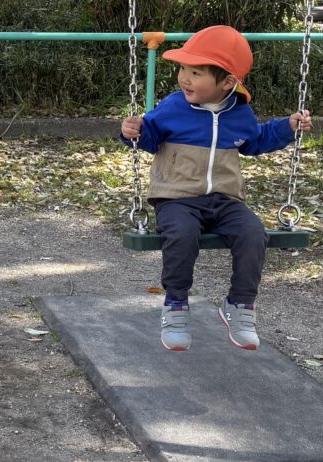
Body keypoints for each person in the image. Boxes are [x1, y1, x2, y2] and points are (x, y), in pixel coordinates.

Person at [120, 25, 312, 352]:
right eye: (183, 69)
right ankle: (176, 305)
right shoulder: (173, 107)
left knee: (254, 234)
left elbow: (256, 141)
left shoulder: (239, 113)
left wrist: (287, 127)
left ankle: (240, 305)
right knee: (181, 236)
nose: (185, 78)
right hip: (177, 199)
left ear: (227, 82)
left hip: (224, 199)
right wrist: (132, 131)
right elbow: (149, 137)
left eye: (196, 73)